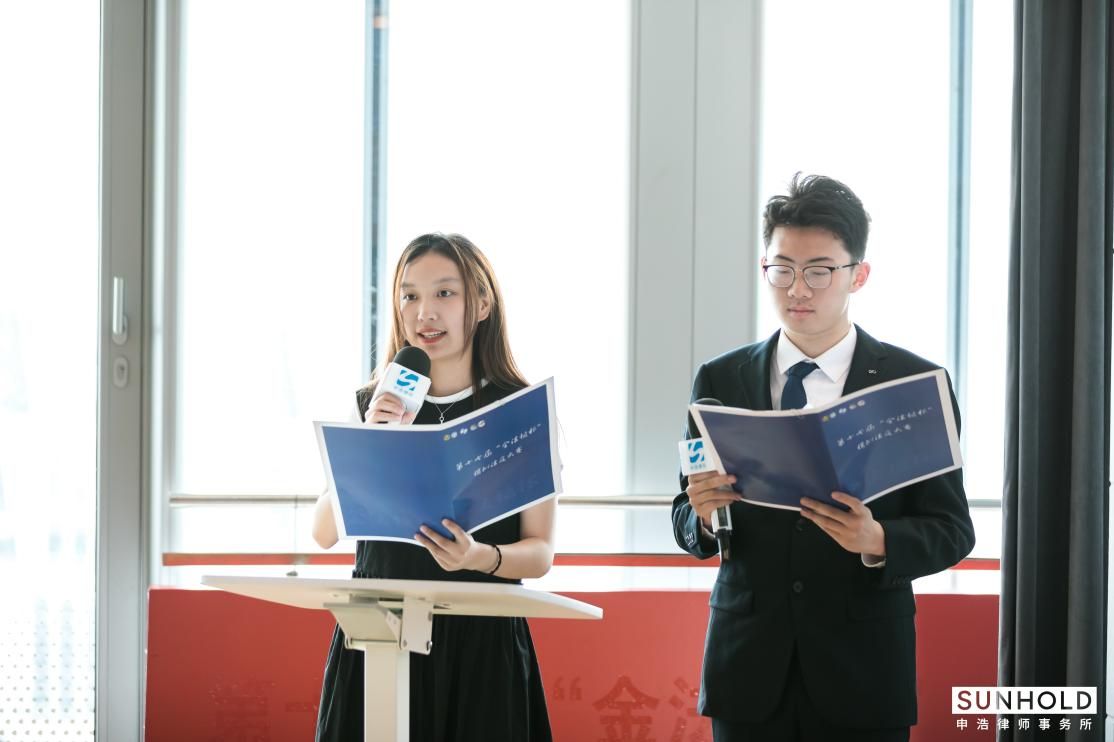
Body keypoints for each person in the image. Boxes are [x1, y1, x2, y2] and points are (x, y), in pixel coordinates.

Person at [672, 174, 975, 742]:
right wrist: (705, 517)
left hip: (863, 669)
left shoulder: (913, 384)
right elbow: (686, 518)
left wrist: (877, 540)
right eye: (782, 269)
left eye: (819, 271)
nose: (797, 289)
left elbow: (953, 529)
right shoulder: (720, 379)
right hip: (748, 669)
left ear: (859, 274)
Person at [312, 232, 556, 742]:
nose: (425, 313)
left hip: (482, 645)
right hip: (379, 636)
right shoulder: (372, 404)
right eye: (410, 295)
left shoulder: (518, 410)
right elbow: (324, 531)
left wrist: (479, 557)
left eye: (445, 293)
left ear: (482, 304)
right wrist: (372, 443)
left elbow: (539, 553)